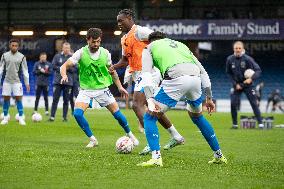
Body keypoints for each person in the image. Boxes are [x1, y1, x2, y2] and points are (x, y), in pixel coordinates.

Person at [137, 32, 227, 167]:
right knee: (198, 117)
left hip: (176, 78)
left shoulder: (149, 48)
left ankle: (156, 158)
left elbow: (146, 74)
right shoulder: (181, 46)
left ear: (150, 41)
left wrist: (149, 98)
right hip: (195, 79)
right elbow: (203, 72)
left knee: (150, 117)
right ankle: (219, 155)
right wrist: (209, 98)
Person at [109, 9, 184, 155]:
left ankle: (151, 143)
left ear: (129, 18)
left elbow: (160, 40)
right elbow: (125, 60)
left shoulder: (140, 31)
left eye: (121, 20)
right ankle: (177, 137)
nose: (119, 24)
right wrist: (114, 66)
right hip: (139, 74)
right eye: (117, 21)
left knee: (137, 105)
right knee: (154, 108)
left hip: (149, 72)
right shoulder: (124, 39)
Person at [60, 28, 139, 148]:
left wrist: (119, 87)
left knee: (117, 114)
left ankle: (131, 135)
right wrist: (64, 75)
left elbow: (112, 72)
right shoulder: (81, 53)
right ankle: (92, 139)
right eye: (93, 42)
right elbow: (64, 66)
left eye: (98, 41)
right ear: (88, 40)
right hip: (86, 90)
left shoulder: (106, 53)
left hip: (102, 89)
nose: (96, 44)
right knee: (77, 114)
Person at [226, 41, 263, 129]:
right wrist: (235, 84)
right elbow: (228, 73)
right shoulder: (230, 59)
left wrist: (251, 78)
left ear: (242, 48)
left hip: (248, 85)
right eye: (236, 48)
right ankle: (235, 124)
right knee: (233, 103)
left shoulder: (248, 59)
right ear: (233, 49)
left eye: (239, 48)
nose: (238, 50)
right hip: (237, 85)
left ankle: (261, 124)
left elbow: (258, 70)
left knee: (254, 103)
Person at [0, 38, 30, 125]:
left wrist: (27, 83)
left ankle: (21, 118)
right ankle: (5, 118)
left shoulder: (22, 57)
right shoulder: (4, 55)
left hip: (17, 82)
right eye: (12, 45)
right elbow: (1, 69)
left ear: (18, 47)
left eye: (16, 45)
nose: (14, 47)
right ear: (10, 46)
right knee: (6, 99)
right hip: (7, 81)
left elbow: (25, 71)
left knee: (18, 99)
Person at [49, 42, 73, 122]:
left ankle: (64, 117)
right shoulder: (57, 56)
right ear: (62, 48)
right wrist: (64, 67)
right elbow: (53, 66)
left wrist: (66, 68)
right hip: (58, 82)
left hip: (68, 82)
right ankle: (52, 117)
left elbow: (76, 68)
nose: (66, 49)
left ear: (69, 49)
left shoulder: (72, 57)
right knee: (55, 99)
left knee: (66, 100)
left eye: (68, 48)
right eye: (65, 48)